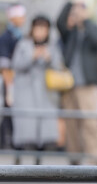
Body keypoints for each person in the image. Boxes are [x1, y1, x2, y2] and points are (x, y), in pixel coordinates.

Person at [56, 0, 97, 165]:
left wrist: (85, 20)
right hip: (69, 85)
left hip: (87, 85)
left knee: (91, 123)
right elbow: (59, 23)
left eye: (80, 11)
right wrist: (70, 4)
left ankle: (96, 159)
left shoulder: (91, 28)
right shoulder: (70, 32)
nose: (77, 15)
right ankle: (74, 158)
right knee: (71, 123)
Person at [11, 15, 63, 164]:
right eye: (37, 28)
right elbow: (16, 65)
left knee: (41, 129)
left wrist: (49, 58)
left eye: (43, 29)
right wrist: (32, 56)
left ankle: (38, 162)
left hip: (45, 94)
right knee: (23, 126)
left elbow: (59, 66)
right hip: (25, 93)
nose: (40, 32)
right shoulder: (23, 44)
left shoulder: (52, 47)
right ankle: (17, 159)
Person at [0, 4, 26, 149]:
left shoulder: (20, 35)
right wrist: (9, 84)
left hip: (19, 81)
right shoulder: (6, 37)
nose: (23, 19)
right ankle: (6, 142)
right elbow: (4, 65)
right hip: (10, 80)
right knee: (8, 110)